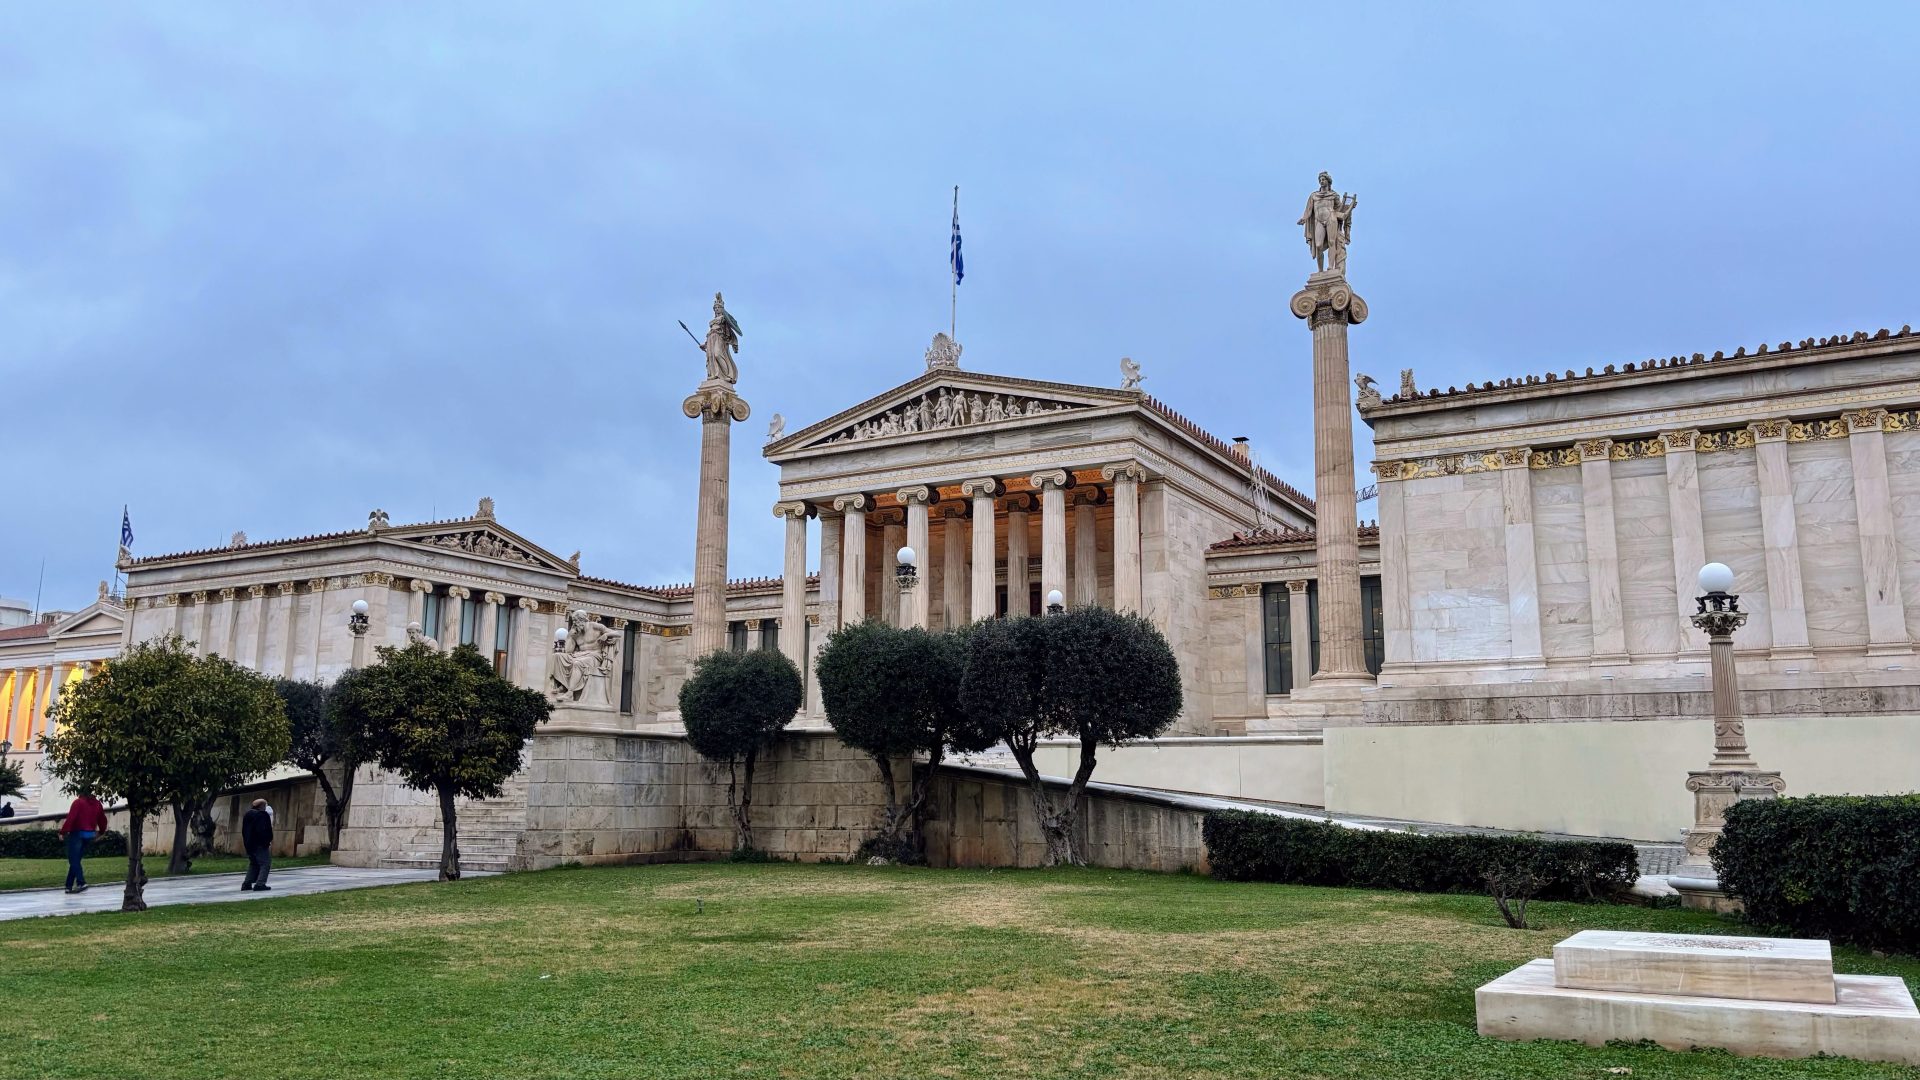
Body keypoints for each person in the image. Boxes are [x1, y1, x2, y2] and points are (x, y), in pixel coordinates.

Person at [58, 791, 108, 894]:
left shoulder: (78, 802)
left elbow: (71, 818)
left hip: (77, 833)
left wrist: (63, 832)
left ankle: (81, 882)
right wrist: (101, 832)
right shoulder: (97, 803)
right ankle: (68, 886)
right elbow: (102, 819)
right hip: (89, 834)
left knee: (73, 860)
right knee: (76, 860)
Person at [240, 798, 274, 892]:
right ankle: (260, 884)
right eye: (265, 805)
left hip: (249, 844)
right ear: (262, 806)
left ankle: (247, 883)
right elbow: (263, 830)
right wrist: (267, 841)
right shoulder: (262, 815)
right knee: (265, 863)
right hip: (260, 844)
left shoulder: (248, 814)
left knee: (254, 863)